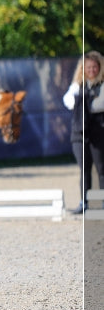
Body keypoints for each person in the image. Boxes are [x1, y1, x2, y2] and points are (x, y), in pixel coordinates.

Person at [62, 50, 104, 214]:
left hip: (99, 132)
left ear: (99, 68)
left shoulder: (102, 85)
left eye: (94, 67)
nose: (91, 70)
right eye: (88, 67)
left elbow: (99, 105)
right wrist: (81, 98)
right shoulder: (77, 85)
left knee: (101, 169)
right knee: (84, 169)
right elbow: (68, 101)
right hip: (80, 133)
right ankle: (84, 203)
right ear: (83, 69)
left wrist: (87, 102)